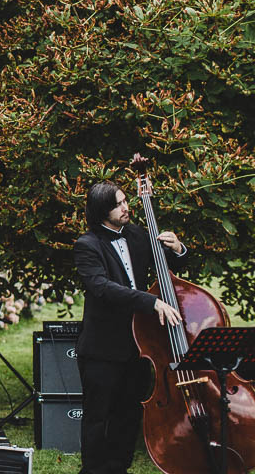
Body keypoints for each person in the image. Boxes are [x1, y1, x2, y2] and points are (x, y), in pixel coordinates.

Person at [74, 178, 186, 474]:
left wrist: (177, 249)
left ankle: (118, 469)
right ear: (101, 211)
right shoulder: (86, 245)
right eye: (119, 204)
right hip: (101, 347)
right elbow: (102, 288)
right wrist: (151, 303)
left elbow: (169, 273)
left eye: (126, 201)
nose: (126, 207)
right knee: (98, 418)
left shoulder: (136, 234)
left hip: (139, 345)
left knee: (129, 415)